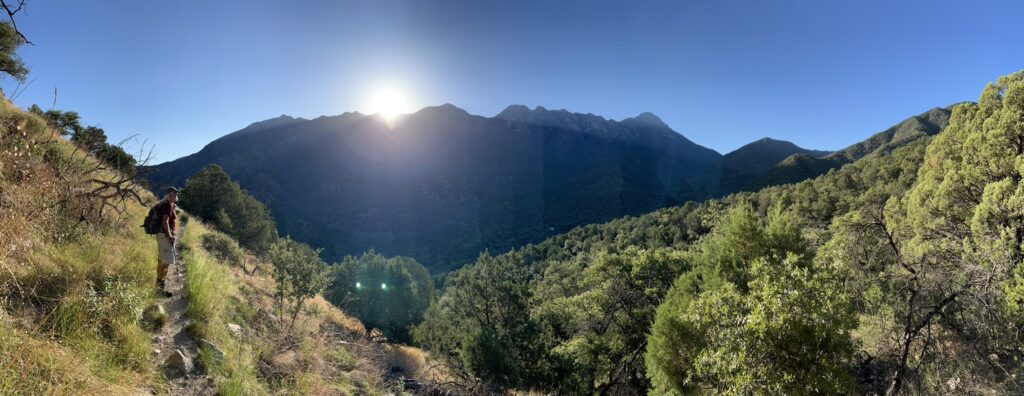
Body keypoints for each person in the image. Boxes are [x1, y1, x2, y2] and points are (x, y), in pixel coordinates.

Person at [156, 186, 179, 297]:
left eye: (175, 194)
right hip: (165, 236)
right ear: (168, 195)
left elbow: (166, 219)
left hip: (161, 235)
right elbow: (165, 221)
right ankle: (160, 291)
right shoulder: (167, 205)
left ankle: (158, 288)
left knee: (161, 260)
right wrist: (170, 235)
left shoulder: (167, 205)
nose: (174, 196)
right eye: (172, 194)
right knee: (166, 262)